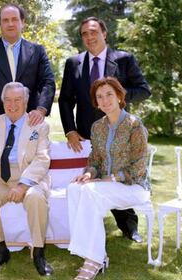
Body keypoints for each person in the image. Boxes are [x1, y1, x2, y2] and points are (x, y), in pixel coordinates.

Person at [58, 16, 151, 243]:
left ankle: (129, 227)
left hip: (121, 131)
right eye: (84, 34)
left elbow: (143, 89)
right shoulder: (74, 63)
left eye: (93, 32)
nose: (89, 37)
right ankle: (86, 230)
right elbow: (65, 100)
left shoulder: (124, 59)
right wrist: (70, 130)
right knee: (92, 176)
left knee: (119, 173)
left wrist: (115, 97)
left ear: (104, 33)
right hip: (87, 133)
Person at [67, 77, 150, 280]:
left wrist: (112, 177)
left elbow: (139, 166)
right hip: (107, 186)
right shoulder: (97, 127)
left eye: (109, 94)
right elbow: (95, 160)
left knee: (91, 192)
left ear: (120, 96)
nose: (104, 100)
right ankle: (93, 253)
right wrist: (89, 173)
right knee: (75, 188)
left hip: (134, 186)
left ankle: (94, 259)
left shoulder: (134, 125)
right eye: (99, 97)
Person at [0, 82, 53, 277]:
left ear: (26, 101)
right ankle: (1, 249)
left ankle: (38, 252)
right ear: (2, 101)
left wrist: (23, 184)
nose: (12, 104)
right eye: (7, 100)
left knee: (35, 197)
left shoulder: (39, 125)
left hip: (29, 176)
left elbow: (42, 159)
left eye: (18, 99)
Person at [0, 3, 55, 128]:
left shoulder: (37, 51)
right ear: (0, 24)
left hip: (30, 121)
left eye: (14, 19)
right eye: (5, 20)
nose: (10, 24)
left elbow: (48, 82)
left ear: (22, 22)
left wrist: (41, 110)